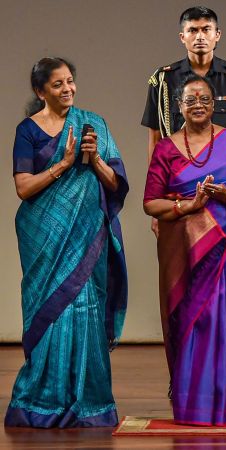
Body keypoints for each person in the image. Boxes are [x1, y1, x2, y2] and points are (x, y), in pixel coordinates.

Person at [5, 57, 129, 428]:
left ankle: (91, 403)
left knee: (86, 312)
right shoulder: (27, 131)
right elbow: (23, 188)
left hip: (86, 241)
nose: (68, 89)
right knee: (51, 314)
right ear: (41, 91)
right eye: (58, 84)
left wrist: (92, 161)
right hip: (45, 241)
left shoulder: (93, 124)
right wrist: (64, 163)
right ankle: (39, 403)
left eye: (70, 81)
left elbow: (116, 184)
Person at [144, 74, 226, 426]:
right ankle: (190, 405)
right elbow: (151, 203)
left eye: (205, 100)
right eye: (190, 100)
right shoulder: (166, 149)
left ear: (215, 106)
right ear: (179, 106)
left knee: (219, 321)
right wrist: (188, 207)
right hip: (184, 253)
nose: (198, 104)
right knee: (189, 321)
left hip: (223, 250)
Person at [142, 6, 226, 234]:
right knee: (179, 265)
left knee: (225, 265)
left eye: (206, 29)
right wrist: (158, 202)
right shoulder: (163, 80)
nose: (200, 36)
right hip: (179, 190)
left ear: (217, 35)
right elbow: (155, 142)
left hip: (223, 189)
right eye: (193, 30)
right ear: (182, 37)